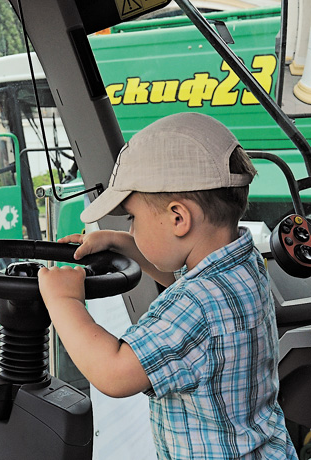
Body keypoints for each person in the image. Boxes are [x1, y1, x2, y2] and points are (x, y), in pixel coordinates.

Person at [37, 112, 298, 459]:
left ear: (178, 218)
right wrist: (119, 242)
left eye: (132, 219)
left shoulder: (195, 305)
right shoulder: (243, 262)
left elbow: (114, 373)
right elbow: (181, 278)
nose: (132, 230)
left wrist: (63, 300)